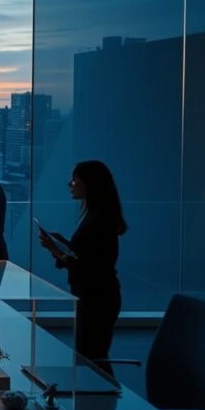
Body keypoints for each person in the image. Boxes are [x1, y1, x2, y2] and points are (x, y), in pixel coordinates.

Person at [39, 160, 127, 376]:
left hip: (96, 299)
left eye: (75, 180)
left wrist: (58, 251)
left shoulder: (99, 219)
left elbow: (92, 266)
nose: (71, 184)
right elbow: (89, 256)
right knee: (92, 358)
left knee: (92, 360)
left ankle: (102, 403)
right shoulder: (97, 215)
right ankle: (101, 404)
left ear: (89, 184)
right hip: (96, 296)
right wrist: (62, 246)